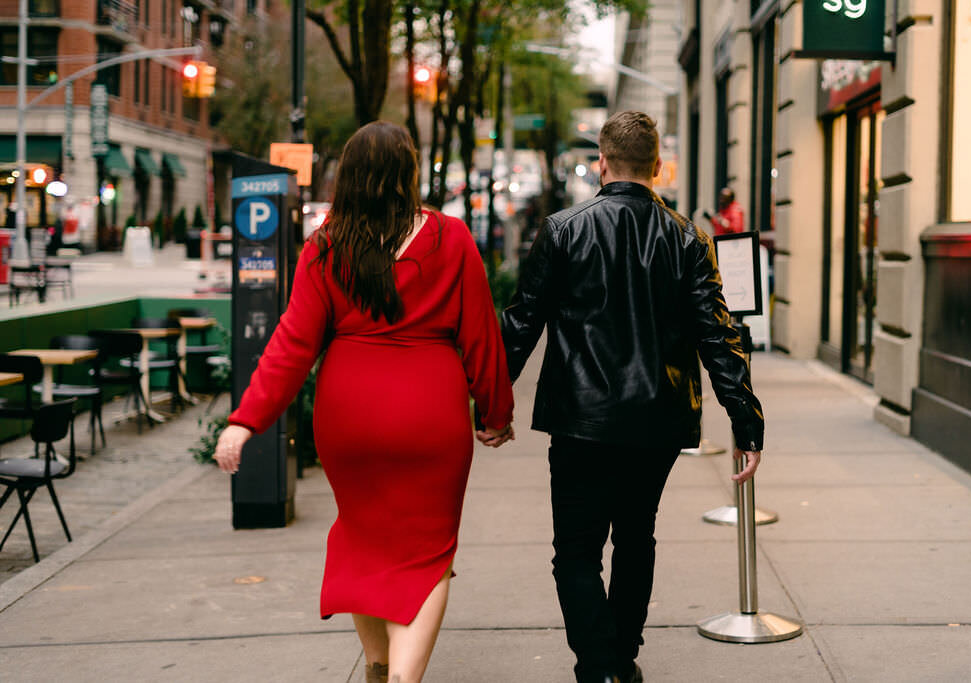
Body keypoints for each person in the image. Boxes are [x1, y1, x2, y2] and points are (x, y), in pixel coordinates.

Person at [214, 121, 515, 683]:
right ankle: (403, 678)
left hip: (349, 416)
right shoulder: (450, 239)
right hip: (431, 415)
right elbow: (481, 337)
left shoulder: (326, 246)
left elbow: (292, 344)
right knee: (427, 555)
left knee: (364, 538)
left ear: (348, 176)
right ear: (409, 173)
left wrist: (244, 420)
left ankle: (379, 669)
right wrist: (494, 414)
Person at [497, 111, 764, 683]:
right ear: (659, 167)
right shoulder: (687, 236)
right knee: (636, 537)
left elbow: (522, 324)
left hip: (579, 419)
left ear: (602, 163)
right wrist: (747, 423)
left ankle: (599, 669)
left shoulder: (564, 229)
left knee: (576, 549)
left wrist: (489, 404)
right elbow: (718, 333)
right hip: (657, 420)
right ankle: (621, 660)